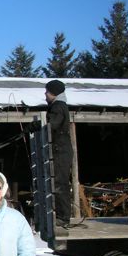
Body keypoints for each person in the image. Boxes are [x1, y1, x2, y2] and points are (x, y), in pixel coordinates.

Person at [45, 79, 73, 226]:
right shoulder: (58, 106)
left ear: (54, 93)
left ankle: (63, 217)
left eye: (47, 92)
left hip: (61, 150)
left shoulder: (58, 106)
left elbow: (52, 126)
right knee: (57, 182)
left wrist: (39, 126)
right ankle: (61, 216)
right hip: (59, 149)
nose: (45, 94)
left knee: (60, 183)